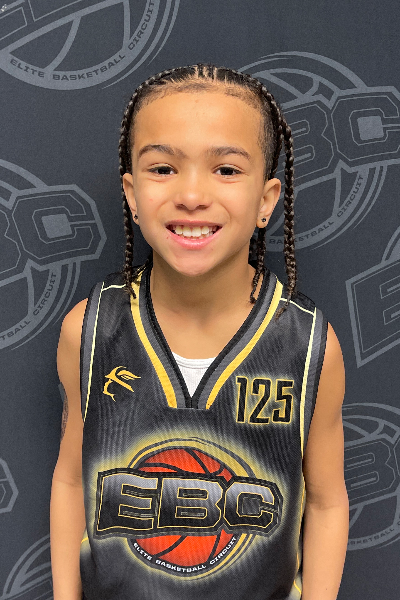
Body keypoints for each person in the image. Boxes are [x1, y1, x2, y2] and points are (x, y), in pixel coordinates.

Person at [50, 63, 349, 600]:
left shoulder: (308, 347)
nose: (191, 194)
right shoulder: (88, 330)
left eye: (226, 170)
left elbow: (327, 503)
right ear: (131, 193)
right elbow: (72, 482)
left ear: (266, 199)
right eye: (163, 168)